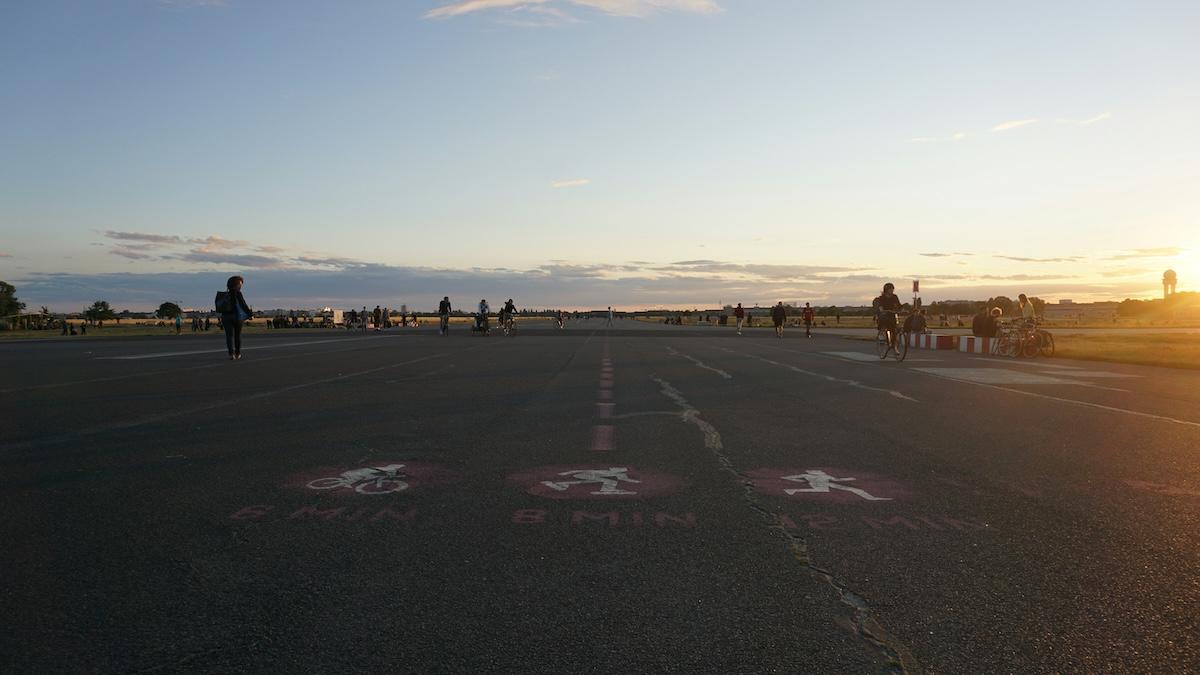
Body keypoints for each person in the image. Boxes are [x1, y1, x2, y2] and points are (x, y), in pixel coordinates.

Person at [219, 275, 252, 360]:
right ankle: (237, 353)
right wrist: (250, 314)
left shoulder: (224, 295)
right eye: (240, 284)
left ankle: (231, 354)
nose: (241, 286)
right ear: (236, 284)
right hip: (237, 317)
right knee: (237, 336)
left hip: (225, 317)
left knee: (229, 336)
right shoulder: (238, 293)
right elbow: (243, 305)